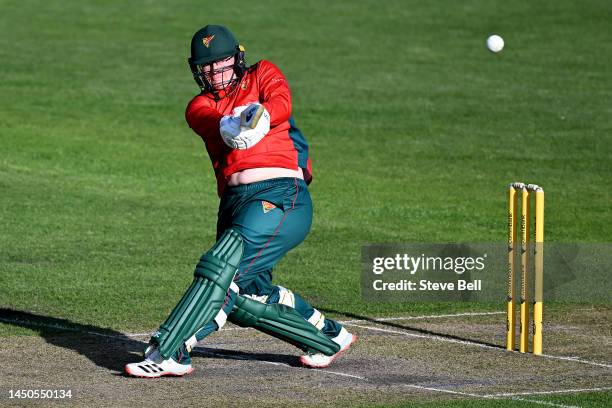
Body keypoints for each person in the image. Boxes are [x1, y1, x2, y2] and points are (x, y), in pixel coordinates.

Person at [125, 24, 356, 378]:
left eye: (222, 63)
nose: (215, 73)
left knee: (220, 271)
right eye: (207, 67)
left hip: (281, 194)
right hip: (234, 203)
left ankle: (170, 350)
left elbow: (280, 102)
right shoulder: (198, 106)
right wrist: (236, 123)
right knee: (246, 296)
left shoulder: (263, 72)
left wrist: (260, 115)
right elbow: (216, 124)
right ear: (196, 70)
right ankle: (326, 337)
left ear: (237, 58)